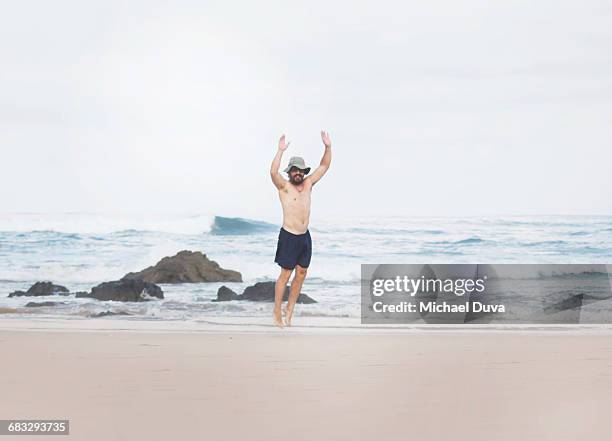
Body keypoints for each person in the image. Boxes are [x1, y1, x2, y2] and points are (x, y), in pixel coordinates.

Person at [269, 131, 332, 327]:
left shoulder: (308, 183)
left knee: (302, 273)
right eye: (295, 170)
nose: (298, 173)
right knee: (285, 275)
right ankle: (277, 312)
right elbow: (272, 172)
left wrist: (328, 147)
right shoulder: (284, 186)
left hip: (305, 237)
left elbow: (324, 166)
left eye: (301, 170)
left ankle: (290, 310)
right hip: (289, 236)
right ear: (289, 172)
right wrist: (279, 151)